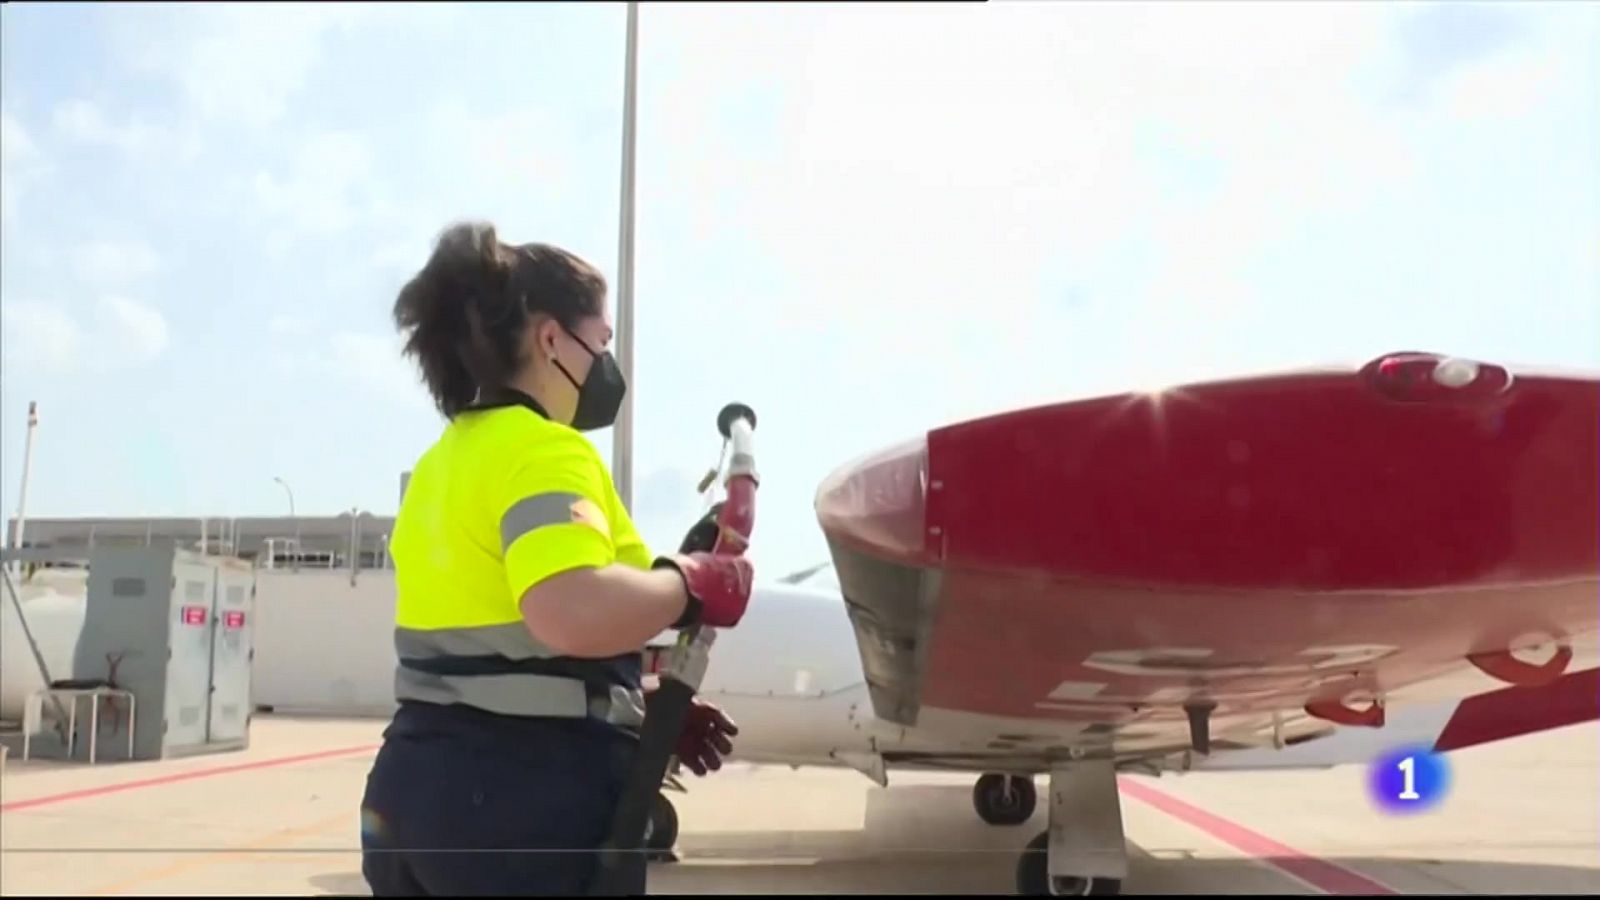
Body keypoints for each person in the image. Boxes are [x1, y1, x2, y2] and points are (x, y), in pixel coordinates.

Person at [358, 221, 756, 896]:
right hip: (520, 807)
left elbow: (493, 640)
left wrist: (634, 698)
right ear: (551, 339)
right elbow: (567, 609)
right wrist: (689, 583)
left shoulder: (443, 462)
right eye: (600, 343)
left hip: (414, 792)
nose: (606, 365)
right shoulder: (546, 450)